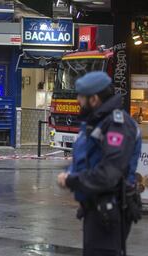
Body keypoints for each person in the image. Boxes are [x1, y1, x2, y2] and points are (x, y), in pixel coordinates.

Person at [57, 71, 142, 256]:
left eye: (81, 97)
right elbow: (86, 158)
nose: (78, 101)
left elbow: (109, 173)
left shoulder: (117, 125)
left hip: (109, 211)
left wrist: (72, 180)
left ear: (94, 99)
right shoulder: (95, 122)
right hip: (94, 207)